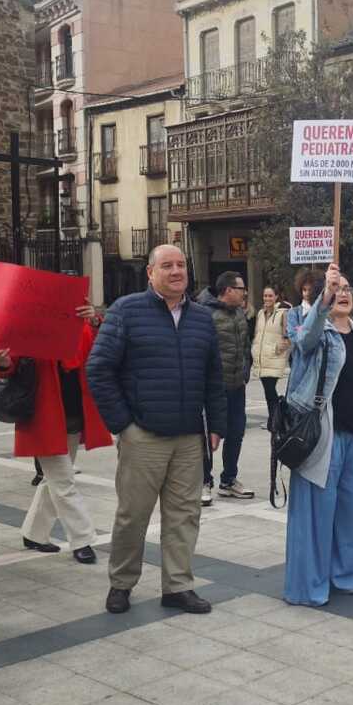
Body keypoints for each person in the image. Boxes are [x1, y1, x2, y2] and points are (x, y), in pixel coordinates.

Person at [89, 245, 226, 615]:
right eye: (167, 265)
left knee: (184, 515)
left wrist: (217, 423)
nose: (176, 271)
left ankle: (178, 586)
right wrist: (123, 425)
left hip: (188, 437)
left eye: (181, 264)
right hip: (143, 435)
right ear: (150, 273)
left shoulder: (201, 319)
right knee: (133, 515)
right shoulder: (126, 311)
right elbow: (99, 370)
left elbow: (215, 376)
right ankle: (121, 583)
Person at [283, 263, 353, 605]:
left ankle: (350, 576)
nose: (343, 293)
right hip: (321, 438)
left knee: (352, 513)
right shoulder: (317, 332)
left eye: (347, 288)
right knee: (316, 515)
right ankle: (309, 585)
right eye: (336, 288)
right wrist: (324, 298)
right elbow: (303, 340)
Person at [0, 306, 110, 564]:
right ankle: (83, 539)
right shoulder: (30, 331)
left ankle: (33, 533)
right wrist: (3, 363)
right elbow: (11, 366)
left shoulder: (83, 328)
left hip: (74, 416)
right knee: (64, 481)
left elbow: (103, 354)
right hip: (44, 420)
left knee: (54, 481)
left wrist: (96, 321)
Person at [199, 271, 253, 502]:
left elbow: (245, 346)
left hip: (237, 386)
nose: (245, 293)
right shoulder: (204, 314)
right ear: (228, 290)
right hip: (213, 389)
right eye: (241, 289)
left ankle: (229, 480)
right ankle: (204, 481)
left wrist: (245, 370)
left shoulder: (240, 312)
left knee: (236, 433)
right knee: (207, 435)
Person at [252, 285, 290, 431]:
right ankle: (274, 419)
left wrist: (277, 349)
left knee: (270, 390)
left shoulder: (283, 313)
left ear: (276, 297)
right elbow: (257, 334)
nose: (267, 298)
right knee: (268, 392)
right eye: (265, 296)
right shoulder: (260, 313)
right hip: (261, 359)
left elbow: (288, 336)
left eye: (270, 296)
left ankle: (275, 419)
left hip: (274, 358)